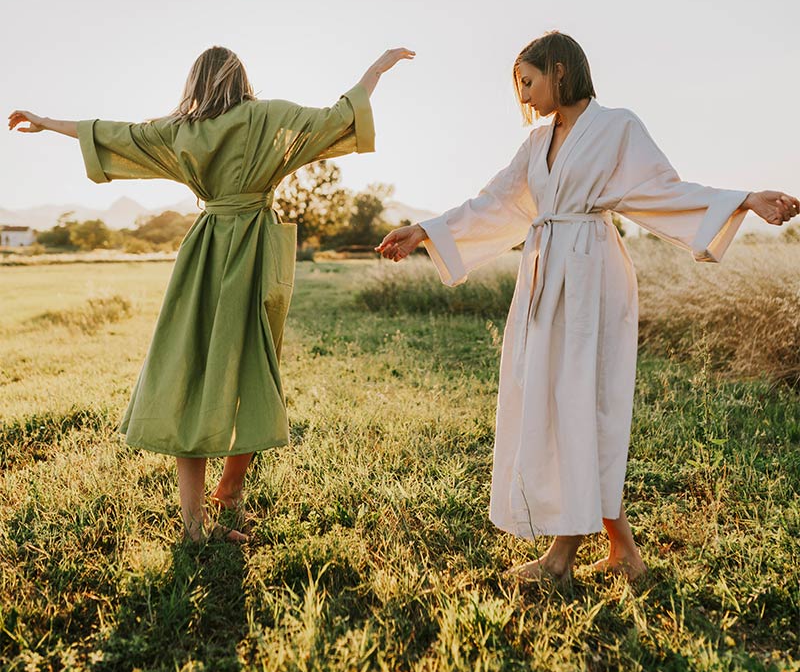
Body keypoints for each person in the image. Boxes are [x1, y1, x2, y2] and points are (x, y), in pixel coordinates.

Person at [377, 32, 798, 582]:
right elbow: (496, 203)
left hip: (591, 275)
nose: (524, 98)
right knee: (556, 403)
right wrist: (425, 232)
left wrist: (741, 198)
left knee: (580, 402)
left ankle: (560, 559)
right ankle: (623, 552)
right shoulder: (536, 143)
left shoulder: (617, 127)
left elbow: (662, 190)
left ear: (559, 70)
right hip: (544, 275)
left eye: (528, 82)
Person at [9, 45, 414, 543]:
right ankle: (231, 489)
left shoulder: (181, 131)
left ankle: (198, 522)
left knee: (194, 370)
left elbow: (114, 134)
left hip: (204, 256)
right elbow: (339, 117)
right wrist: (376, 70)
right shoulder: (269, 119)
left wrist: (46, 121)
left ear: (194, 83)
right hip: (256, 252)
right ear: (241, 79)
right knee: (253, 366)